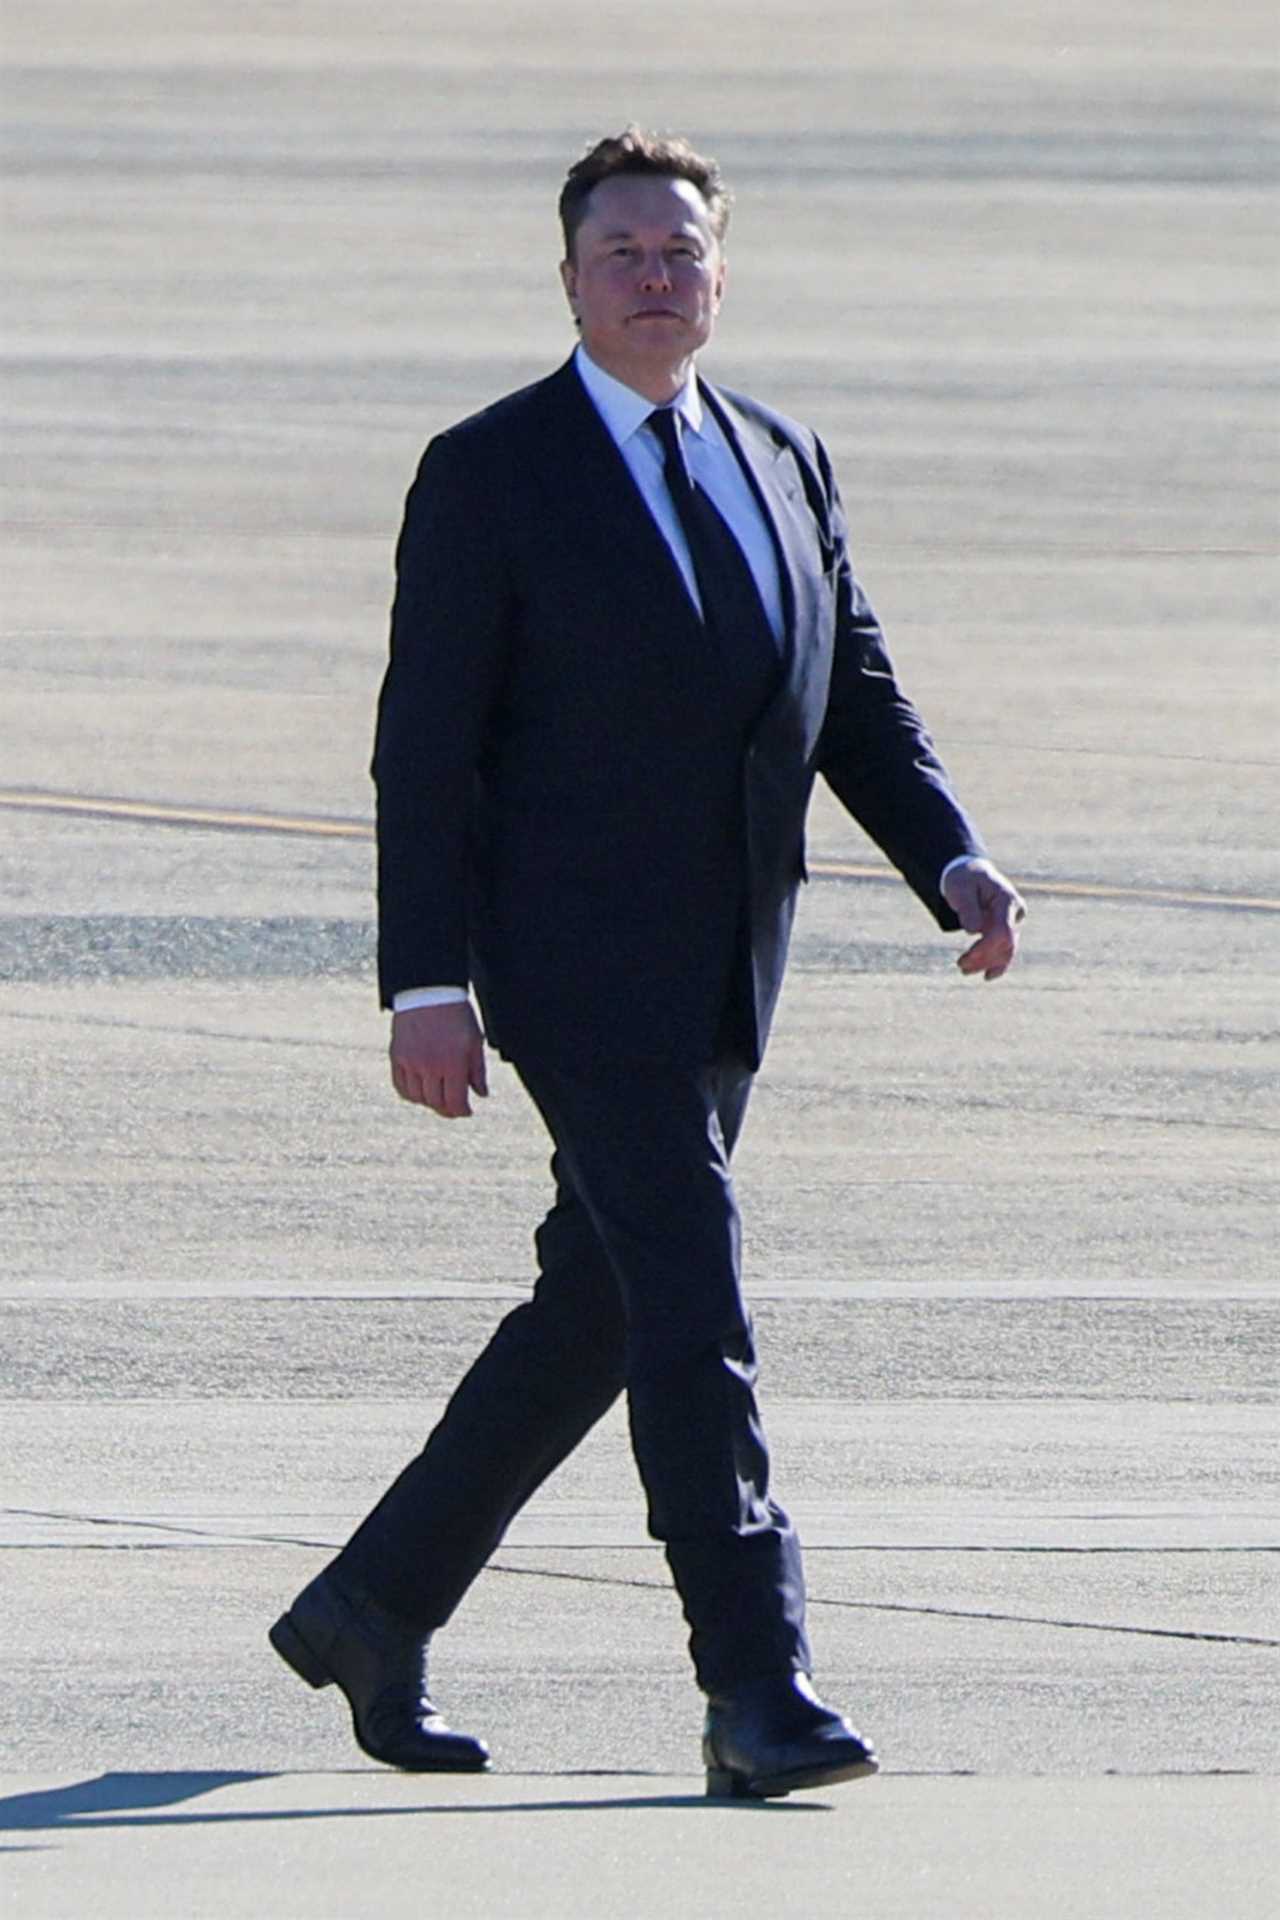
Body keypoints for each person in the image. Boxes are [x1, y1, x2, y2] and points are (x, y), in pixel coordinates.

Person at [269, 127, 1024, 1799]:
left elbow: (856, 695)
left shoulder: (783, 456)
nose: (654, 277)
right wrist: (425, 981)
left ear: (719, 277)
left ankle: (371, 1607)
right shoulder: (493, 471)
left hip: (725, 970)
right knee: (694, 1302)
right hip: (569, 971)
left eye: (681, 252)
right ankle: (758, 1686)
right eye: (622, 252)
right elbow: (423, 752)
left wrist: (949, 854)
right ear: (568, 280)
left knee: (599, 1306)